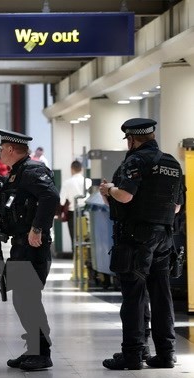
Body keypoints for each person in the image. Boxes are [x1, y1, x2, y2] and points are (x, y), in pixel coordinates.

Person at [99, 118, 183, 370]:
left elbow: (124, 196)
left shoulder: (135, 161)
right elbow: (176, 207)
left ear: (132, 139)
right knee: (161, 295)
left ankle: (134, 354)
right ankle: (166, 354)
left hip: (136, 238)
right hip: (164, 238)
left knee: (134, 296)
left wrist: (109, 190)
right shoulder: (172, 163)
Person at [0, 130, 59, 371]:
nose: (0, 152)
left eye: (2, 148)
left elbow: (51, 197)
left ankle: (42, 352)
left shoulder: (32, 170)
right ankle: (33, 348)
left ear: (10, 149)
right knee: (22, 300)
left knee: (28, 299)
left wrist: (37, 228)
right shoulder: (18, 173)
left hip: (33, 246)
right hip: (21, 246)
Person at [59, 160, 92, 248]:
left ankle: (75, 259)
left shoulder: (66, 183)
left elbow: (61, 201)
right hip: (86, 212)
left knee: (74, 239)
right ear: (81, 169)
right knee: (86, 238)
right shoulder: (88, 181)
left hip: (72, 214)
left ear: (71, 169)